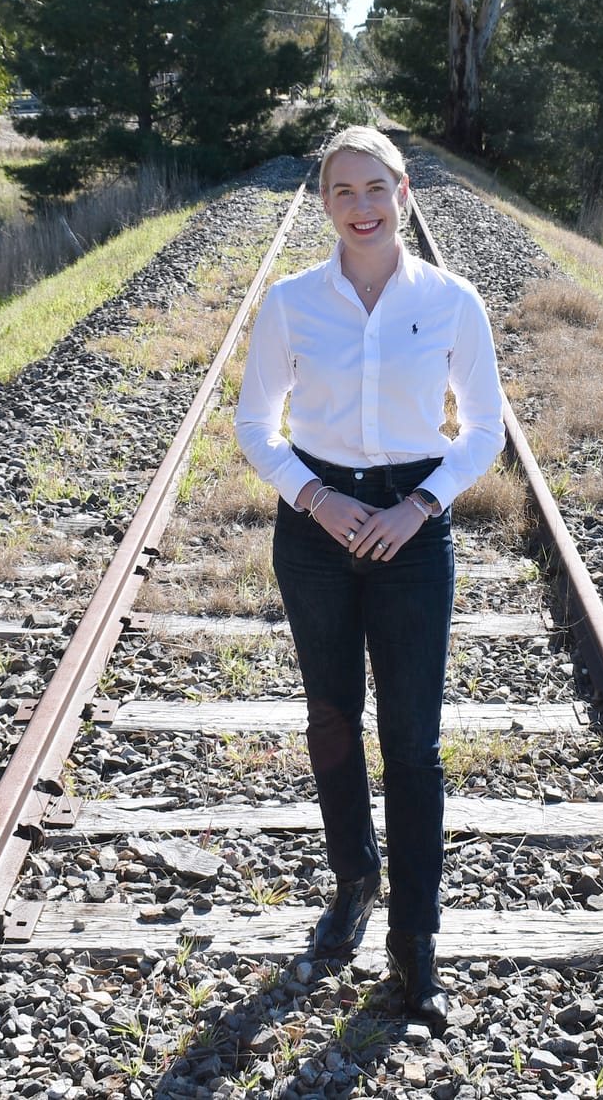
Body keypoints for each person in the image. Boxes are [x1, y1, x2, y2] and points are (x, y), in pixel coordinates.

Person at [234, 127, 505, 1029]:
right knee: (330, 716)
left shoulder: (453, 301)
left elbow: (481, 432)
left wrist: (416, 507)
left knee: (415, 743)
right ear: (324, 203)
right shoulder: (289, 304)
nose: (361, 207)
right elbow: (256, 425)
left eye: (375, 188)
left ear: (406, 189)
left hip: (411, 529)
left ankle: (414, 946)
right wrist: (313, 497)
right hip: (316, 529)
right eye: (343, 191)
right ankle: (353, 879)